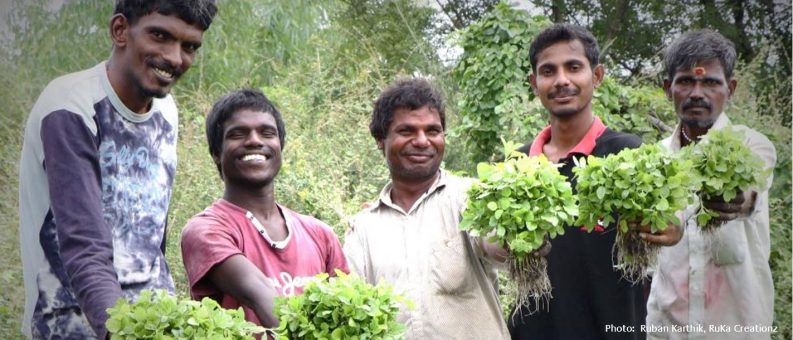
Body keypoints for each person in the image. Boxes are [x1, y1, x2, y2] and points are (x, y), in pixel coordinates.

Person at [18, 1, 217, 338]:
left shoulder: (166, 110)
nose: (174, 57)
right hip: (69, 324)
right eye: (160, 35)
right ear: (120, 30)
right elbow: (84, 247)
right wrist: (124, 332)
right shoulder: (70, 106)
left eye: (190, 47)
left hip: (152, 325)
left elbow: (151, 237)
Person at [508, 23, 681, 340]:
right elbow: (492, 245)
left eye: (574, 67)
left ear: (597, 76)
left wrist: (671, 227)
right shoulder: (517, 165)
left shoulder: (627, 154)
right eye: (549, 71)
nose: (562, 80)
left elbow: (673, 221)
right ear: (534, 83)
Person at [343, 78, 514, 339]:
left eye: (432, 131)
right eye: (407, 131)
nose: (422, 141)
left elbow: (499, 249)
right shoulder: (363, 228)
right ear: (381, 140)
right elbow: (351, 309)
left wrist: (520, 238)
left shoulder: (471, 197)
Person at [180, 88, 349, 331]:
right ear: (217, 153)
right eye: (238, 134)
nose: (254, 141)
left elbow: (346, 313)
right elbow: (257, 293)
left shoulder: (320, 234)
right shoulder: (206, 230)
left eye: (267, 133)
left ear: (280, 146)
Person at [646, 29, 776, 340]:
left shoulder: (753, 146)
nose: (696, 93)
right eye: (686, 81)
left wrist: (736, 200)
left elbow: (747, 194)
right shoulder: (654, 158)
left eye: (710, 82)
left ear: (730, 88)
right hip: (668, 329)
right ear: (668, 88)